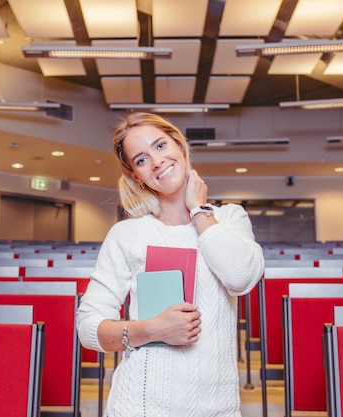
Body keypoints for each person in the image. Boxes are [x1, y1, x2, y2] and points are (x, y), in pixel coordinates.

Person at [76, 112, 265, 417]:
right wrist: (151, 329)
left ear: (178, 144)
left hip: (217, 408)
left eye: (161, 145)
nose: (156, 161)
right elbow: (87, 327)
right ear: (137, 176)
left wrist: (200, 211)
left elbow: (241, 278)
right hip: (138, 407)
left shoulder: (229, 218)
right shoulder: (127, 234)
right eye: (141, 160)